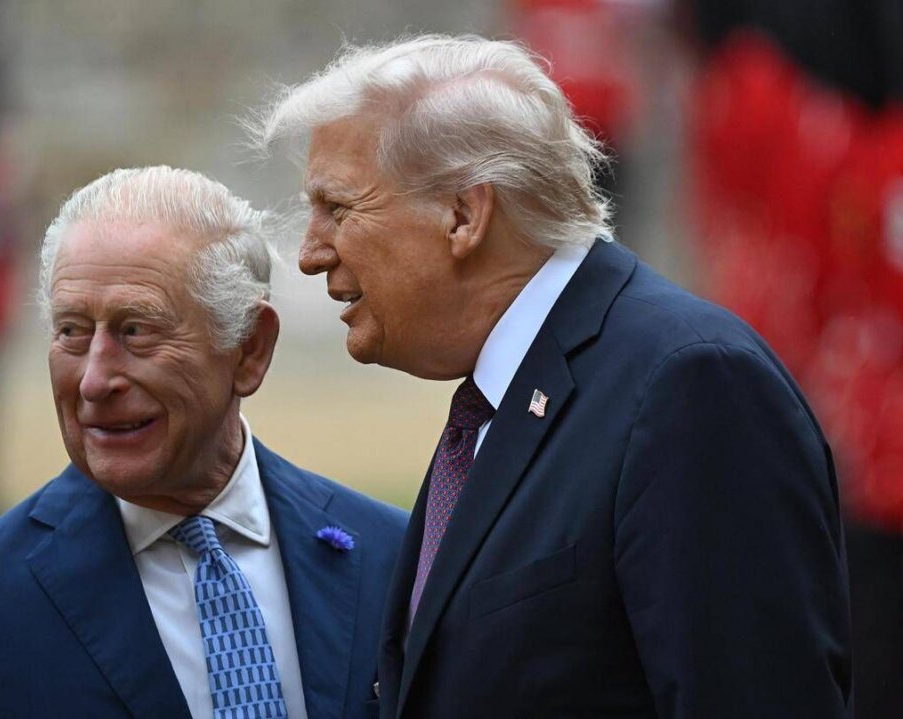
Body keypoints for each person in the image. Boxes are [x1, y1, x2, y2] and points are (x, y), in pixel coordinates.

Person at [250, 35, 853, 718]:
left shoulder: (691, 386)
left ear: (463, 215)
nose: (310, 254)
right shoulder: (504, 396)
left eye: (337, 209)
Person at [0, 166, 408, 719]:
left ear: (249, 349)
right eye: (72, 332)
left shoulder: (397, 561)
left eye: (136, 331)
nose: (94, 381)